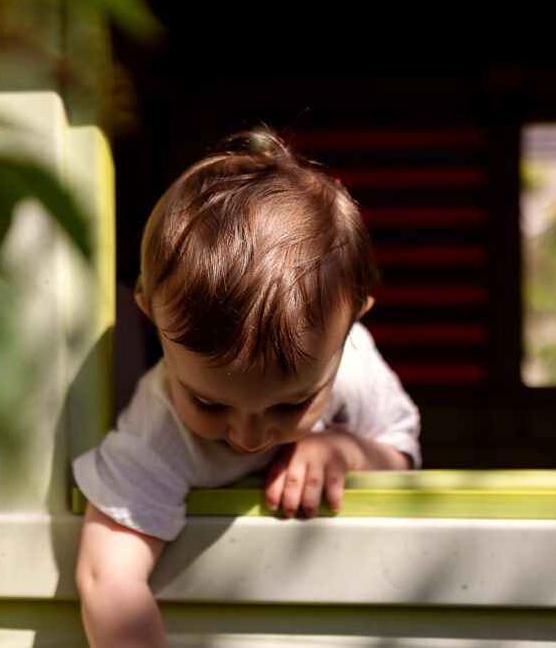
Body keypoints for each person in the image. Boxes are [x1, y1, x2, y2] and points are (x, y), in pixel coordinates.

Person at [73, 130, 421, 647]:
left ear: (351, 325)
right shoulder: (161, 421)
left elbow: (403, 452)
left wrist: (346, 449)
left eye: (293, 403)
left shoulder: (353, 367)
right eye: (210, 402)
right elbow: (107, 576)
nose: (250, 435)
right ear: (151, 319)